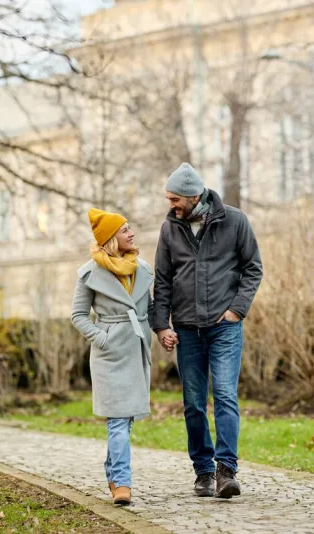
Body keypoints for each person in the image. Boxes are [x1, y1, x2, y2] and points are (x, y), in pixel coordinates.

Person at [152, 163, 263, 499]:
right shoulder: (170, 228)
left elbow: (253, 268)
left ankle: (226, 470)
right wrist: (161, 325)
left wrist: (236, 310)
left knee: (226, 395)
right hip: (186, 329)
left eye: (174, 199)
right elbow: (162, 280)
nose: (170, 204)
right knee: (193, 402)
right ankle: (203, 471)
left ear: (193, 196)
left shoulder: (234, 220)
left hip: (224, 327)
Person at [71, 208, 153, 506]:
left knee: (125, 419)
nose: (131, 233)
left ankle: (112, 472)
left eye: (130, 228)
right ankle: (122, 481)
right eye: (125, 230)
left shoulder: (142, 269)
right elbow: (78, 315)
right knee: (117, 419)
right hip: (109, 354)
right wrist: (102, 338)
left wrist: (164, 330)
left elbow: (151, 308)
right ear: (111, 240)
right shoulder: (90, 273)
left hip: (138, 350)